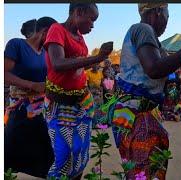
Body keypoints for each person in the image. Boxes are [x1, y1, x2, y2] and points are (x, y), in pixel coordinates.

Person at [105, 3, 181, 179]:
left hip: (133, 113)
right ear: (158, 11)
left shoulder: (148, 36)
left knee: (140, 170)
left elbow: (161, 70)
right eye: (167, 16)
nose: (167, 21)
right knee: (144, 171)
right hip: (137, 113)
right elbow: (154, 69)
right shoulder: (143, 29)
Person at [44, 3, 113, 179]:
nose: (92, 25)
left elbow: (80, 65)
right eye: (91, 19)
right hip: (60, 104)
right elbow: (58, 64)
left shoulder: (80, 37)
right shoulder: (56, 29)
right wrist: (97, 57)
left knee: (80, 149)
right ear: (78, 12)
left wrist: (100, 59)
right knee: (62, 153)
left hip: (82, 101)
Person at [4, 17, 57, 178]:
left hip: (43, 111)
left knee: (45, 152)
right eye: (54, 35)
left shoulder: (46, 53)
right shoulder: (17, 45)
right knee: (12, 149)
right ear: (44, 32)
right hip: (20, 109)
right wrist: (32, 85)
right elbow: (4, 74)